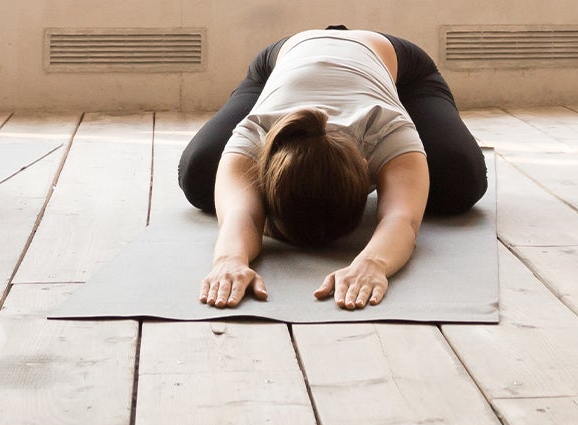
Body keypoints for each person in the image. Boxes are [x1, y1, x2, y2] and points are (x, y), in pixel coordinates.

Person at [177, 27, 486, 310]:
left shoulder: (384, 127)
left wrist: (373, 263)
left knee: (460, 180)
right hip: (285, 59)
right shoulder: (259, 130)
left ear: (368, 169)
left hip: (397, 64)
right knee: (201, 174)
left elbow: (402, 219)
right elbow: (241, 215)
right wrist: (229, 260)